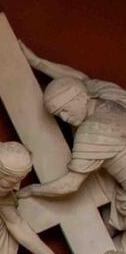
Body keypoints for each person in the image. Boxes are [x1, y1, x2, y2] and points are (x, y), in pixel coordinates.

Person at [19, 43, 126, 232]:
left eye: (65, 110)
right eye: (59, 115)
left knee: (111, 241)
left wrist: (32, 189)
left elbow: (70, 184)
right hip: (118, 189)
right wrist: (37, 62)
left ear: (80, 97)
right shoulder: (109, 95)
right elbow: (80, 79)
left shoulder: (91, 132)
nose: (65, 118)